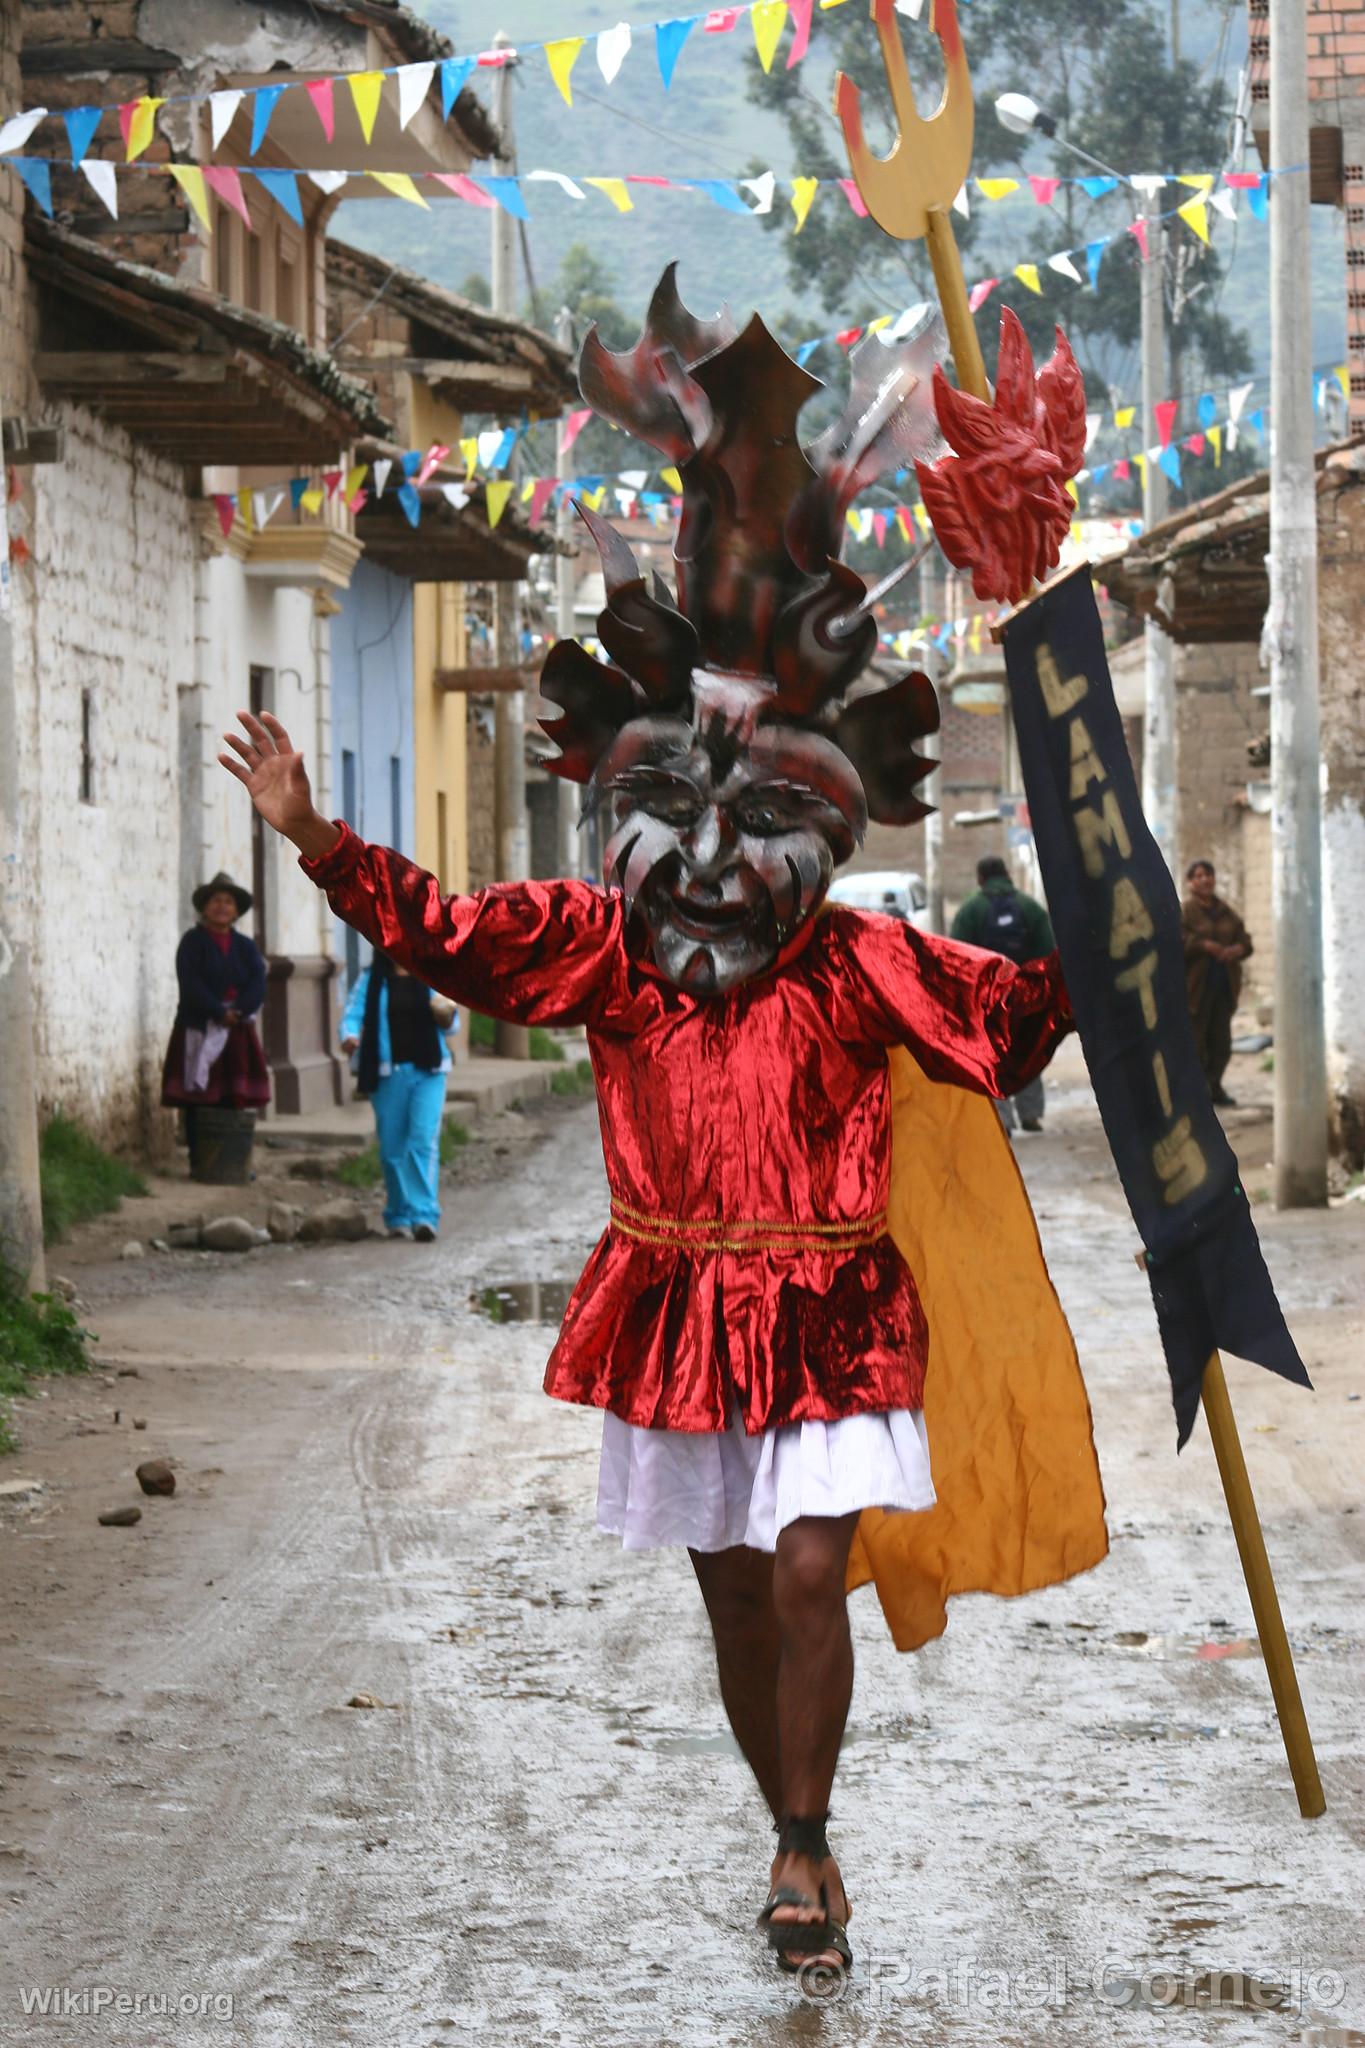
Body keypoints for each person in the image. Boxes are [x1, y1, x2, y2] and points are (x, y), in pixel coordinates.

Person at [218, 275, 1107, 1984]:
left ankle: (806, 1838)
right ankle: (792, 1818)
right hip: (678, 1308)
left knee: (804, 1567)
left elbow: (1024, 1013)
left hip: (839, 1306)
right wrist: (321, 839)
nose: (708, 861)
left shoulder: (862, 961)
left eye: (764, 813)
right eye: (667, 813)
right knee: (724, 1589)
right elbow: (442, 930)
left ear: (833, 817)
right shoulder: (607, 951)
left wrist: (1117, 902)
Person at [340, 951, 457, 1241]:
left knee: (422, 1141)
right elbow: (352, 1016)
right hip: (386, 1073)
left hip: (429, 1070)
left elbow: (452, 1023)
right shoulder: (371, 979)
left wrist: (445, 1016)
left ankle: (424, 1216)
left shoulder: (431, 975)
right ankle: (398, 1213)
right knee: (392, 1150)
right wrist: (350, 1036)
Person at [160, 870, 270, 1173]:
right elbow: (190, 983)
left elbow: (258, 983)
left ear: (236, 911)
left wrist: (238, 1010)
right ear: (205, 907)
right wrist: (217, 1011)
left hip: (236, 1031)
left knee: (232, 1094)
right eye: (216, 901)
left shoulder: (246, 947)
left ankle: (233, 1162)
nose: (222, 907)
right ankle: (201, 1161)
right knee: (199, 1097)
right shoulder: (192, 943)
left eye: (228, 902)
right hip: (199, 1026)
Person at [950, 855, 1056, 1133]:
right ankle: (1031, 1115)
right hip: (1026, 994)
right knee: (1029, 1048)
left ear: (980, 878)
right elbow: (1049, 951)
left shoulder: (970, 910)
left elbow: (957, 956)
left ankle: (1003, 1120)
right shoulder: (1030, 907)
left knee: (994, 1055)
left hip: (988, 997)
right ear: (1007, 874)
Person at [1181, 859, 1253, 1106]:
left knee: (1221, 1044)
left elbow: (1246, 942)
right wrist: (1204, 945)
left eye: (1208, 875)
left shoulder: (1226, 912)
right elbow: (1177, 942)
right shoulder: (1185, 911)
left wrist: (1236, 950)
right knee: (1194, 1044)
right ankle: (1195, 1096)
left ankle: (1214, 1088)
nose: (1204, 880)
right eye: (1198, 876)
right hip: (1195, 990)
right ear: (1190, 882)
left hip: (1223, 987)